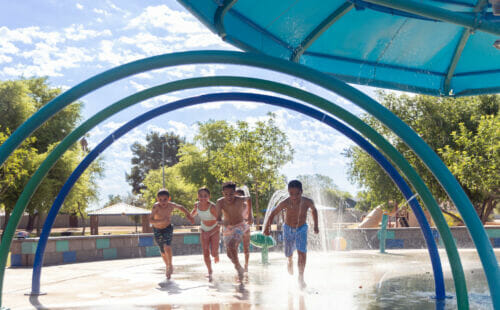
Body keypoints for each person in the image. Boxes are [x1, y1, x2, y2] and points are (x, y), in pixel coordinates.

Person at [263, 180, 318, 289]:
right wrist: (267, 227)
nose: (294, 197)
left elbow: (314, 210)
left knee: (302, 253)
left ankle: (301, 277)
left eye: (297, 194)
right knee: (289, 254)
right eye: (291, 194)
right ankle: (289, 261)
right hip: (288, 229)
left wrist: (316, 225)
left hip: (301, 229)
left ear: (301, 192)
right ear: (288, 192)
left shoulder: (307, 201)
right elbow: (273, 213)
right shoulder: (286, 202)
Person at [149, 188, 194, 280]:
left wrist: (188, 215)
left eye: (165, 199)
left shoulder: (171, 205)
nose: (163, 202)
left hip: (167, 228)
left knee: (167, 247)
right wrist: (161, 220)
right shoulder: (156, 207)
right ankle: (168, 265)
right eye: (160, 200)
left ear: (169, 199)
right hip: (157, 229)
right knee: (162, 251)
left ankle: (169, 266)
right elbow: (150, 220)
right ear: (157, 199)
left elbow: (181, 207)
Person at [216, 181, 251, 282]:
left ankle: (238, 268)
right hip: (228, 228)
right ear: (223, 193)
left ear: (235, 192)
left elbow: (249, 199)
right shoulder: (220, 202)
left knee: (232, 245)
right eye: (226, 194)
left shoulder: (240, 199)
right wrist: (221, 222)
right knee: (229, 254)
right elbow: (217, 219)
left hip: (240, 226)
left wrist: (250, 215)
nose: (229, 197)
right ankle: (238, 266)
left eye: (231, 194)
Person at [190, 187, 220, 281]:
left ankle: (216, 254)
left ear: (209, 196)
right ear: (197, 196)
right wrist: (191, 215)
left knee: (213, 253)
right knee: (205, 251)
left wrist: (210, 232)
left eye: (205, 196)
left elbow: (220, 223)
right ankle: (209, 271)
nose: (203, 198)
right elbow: (192, 214)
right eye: (201, 196)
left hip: (214, 229)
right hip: (204, 229)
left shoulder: (213, 207)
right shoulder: (197, 205)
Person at [235, 187, 253, 272]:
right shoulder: (233, 206)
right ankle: (237, 264)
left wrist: (249, 218)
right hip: (236, 229)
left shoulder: (247, 206)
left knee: (246, 248)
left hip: (245, 228)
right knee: (235, 247)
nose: (238, 199)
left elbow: (250, 219)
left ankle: (246, 265)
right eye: (236, 196)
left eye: (240, 197)